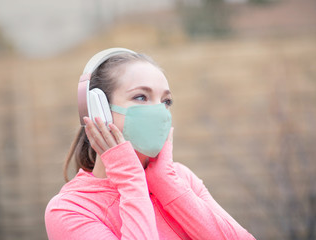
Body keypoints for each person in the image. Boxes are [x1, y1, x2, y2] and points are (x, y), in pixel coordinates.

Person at [44, 48, 256, 240]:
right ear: (99, 110)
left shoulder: (180, 178)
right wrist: (129, 178)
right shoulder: (70, 209)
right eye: (141, 97)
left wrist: (167, 184)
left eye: (166, 101)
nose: (159, 112)